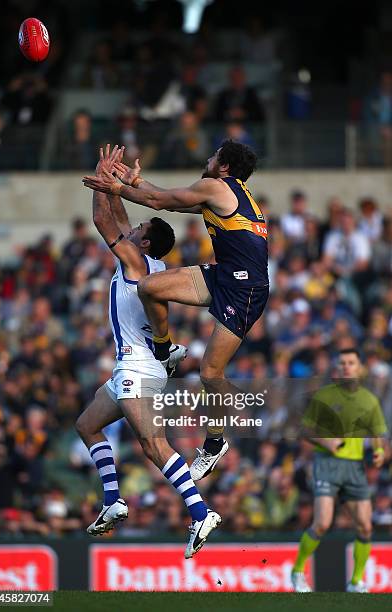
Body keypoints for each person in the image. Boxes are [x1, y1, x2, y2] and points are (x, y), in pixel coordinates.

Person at [82, 139, 269, 481]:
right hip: (225, 275)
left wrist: (116, 187)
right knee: (151, 287)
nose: (208, 159)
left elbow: (160, 201)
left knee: (211, 374)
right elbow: (169, 202)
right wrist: (133, 184)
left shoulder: (217, 186)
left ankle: (216, 441)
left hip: (245, 288)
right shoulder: (228, 193)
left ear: (223, 167)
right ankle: (164, 348)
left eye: (214, 156)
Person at [76, 145, 221, 557]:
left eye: (138, 228)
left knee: (154, 445)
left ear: (145, 240)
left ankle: (200, 512)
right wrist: (115, 184)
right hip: (136, 367)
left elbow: (103, 219)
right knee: (87, 425)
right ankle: (112, 501)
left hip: (137, 369)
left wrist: (102, 177)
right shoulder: (147, 265)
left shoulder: (136, 263)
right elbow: (117, 216)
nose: (131, 228)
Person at [291, 348, 387, 593]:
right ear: (337, 368)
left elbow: (376, 433)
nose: (346, 367)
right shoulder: (324, 397)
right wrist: (327, 442)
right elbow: (305, 431)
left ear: (359, 368)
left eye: (351, 363)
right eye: (342, 363)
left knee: (365, 526)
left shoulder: (369, 400)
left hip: (355, 466)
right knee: (322, 523)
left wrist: (378, 452)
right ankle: (298, 572)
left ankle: (356, 581)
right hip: (327, 463)